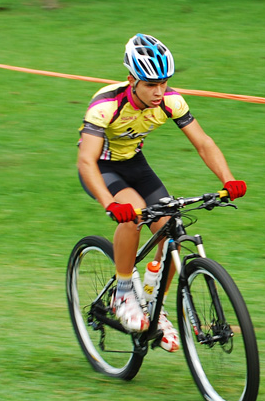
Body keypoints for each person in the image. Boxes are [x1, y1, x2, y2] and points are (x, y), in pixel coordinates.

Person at [77, 33, 246, 352]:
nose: (159, 92)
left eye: (164, 83)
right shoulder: (106, 105)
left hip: (135, 164)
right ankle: (123, 292)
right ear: (132, 80)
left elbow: (203, 142)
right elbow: (86, 160)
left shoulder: (171, 101)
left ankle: (156, 305)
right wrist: (110, 202)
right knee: (133, 214)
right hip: (101, 167)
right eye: (151, 85)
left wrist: (228, 179)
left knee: (171, 229)